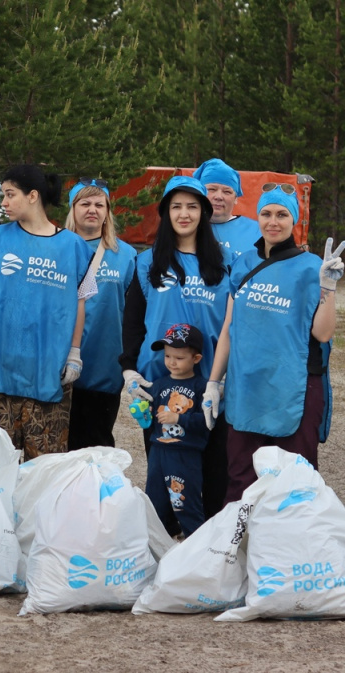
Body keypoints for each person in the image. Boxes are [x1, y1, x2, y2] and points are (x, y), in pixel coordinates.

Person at [205, 185, 343, 503]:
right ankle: (241, 535)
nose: (273, 221)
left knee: (293, 484)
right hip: (245, 388)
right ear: (258, 217)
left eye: (282, 214)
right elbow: (228, 328)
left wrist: (328, 286)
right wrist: (213, 382)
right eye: (266, 214)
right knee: (241, 479)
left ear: (293, 220)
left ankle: (289, 536)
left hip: (293, 388)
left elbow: (323, 334)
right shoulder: (243, 263)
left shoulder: (311, 267)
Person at [119, 175, 231, 519]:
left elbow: (234, 323)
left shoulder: (225, 262)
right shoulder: (147, 262)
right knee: (165, 474)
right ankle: (165, 538)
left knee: (213, 471)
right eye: (176, 207)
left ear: (204, 212)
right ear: (166, 213)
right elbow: (133, 320)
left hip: (209, 384)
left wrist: (223, 377)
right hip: (160, 382)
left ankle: (207, 539)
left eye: (192, 207)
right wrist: (129, 369)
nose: (184, 214)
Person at [0, 165, 95, 460]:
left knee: (45, 465)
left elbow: (80, 302)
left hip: (50, 368)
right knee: (0, 461)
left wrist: (75, 352)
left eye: (10, 194)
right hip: (0, 366)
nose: (4, 202)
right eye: (3, 195)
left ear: (33, 196)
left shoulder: (74, 247)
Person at [63, 179, 137, 449]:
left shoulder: (126, 255)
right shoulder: (57, 247)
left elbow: (134, 313)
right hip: (59, 362)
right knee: (59, 445)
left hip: (104, 365)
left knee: (97, 444)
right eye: (85, 204)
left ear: (107, 211)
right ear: (73, 209)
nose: (92, 210)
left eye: (99, 204)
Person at [145, 323, 210, 538]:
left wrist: (179, 418)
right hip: (158, 451)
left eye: (179, 358)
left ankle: (196, 545)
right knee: (154, 502)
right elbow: (151, 419)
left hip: (185, 454)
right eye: (167, 356)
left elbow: (207, 421)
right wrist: (143, 414)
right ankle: (155, 546)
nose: (172, 362)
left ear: (196, 359)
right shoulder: (159, 384)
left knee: (185, 503)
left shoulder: (201, 387)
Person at [192, 158, 261, 259]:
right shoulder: (187, 229)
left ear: (236, 198)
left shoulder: (257, 231)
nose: (219, 197)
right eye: (212, 189)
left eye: (227, 192)